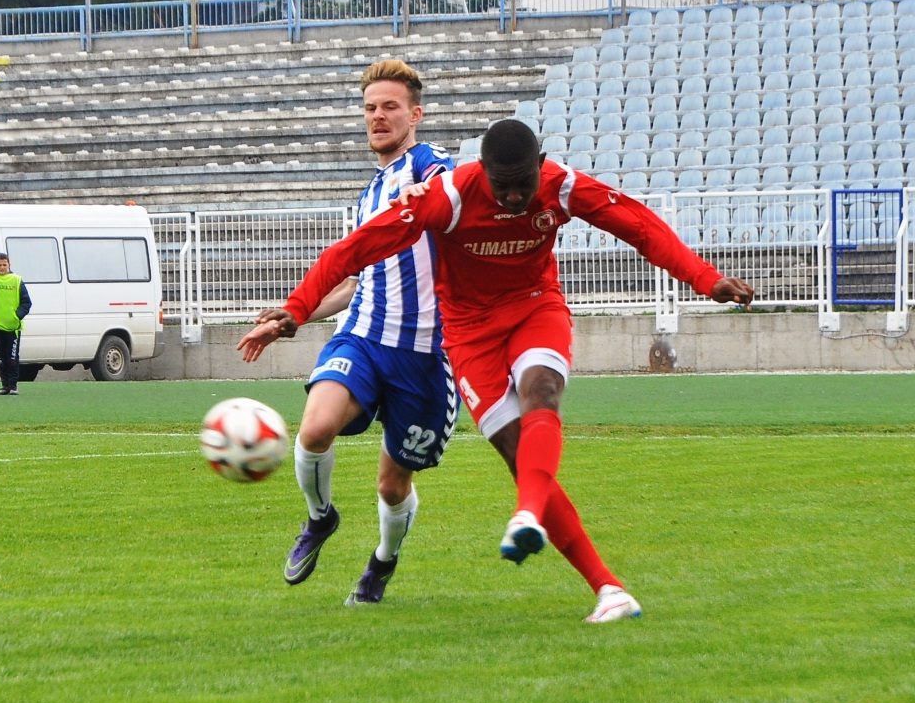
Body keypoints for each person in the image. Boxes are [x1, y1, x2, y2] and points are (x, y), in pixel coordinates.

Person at [241, 119, 755, 623]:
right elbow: (354, 249)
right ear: (482, 170)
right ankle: (608, 587)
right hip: (469, 336)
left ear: (540, 166)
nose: (513, 198)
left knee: (542, 391)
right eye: (502, 186)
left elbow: (639, 224)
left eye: (523, 185)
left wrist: (704, 278)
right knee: (517, 451)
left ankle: (540, 526)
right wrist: (297, 308)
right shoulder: (448, 197)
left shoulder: (560, 185)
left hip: (535, 308)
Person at [238, 59, 458, 607]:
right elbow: (355, 280)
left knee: (392, 485)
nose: (378, 117)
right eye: (370, 108)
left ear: (415, 115)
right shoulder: (368, 196)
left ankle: (382, 561)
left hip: (424, 356)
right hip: (362, 336)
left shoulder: (430, 167)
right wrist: (293, 317)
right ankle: (320, 518)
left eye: (390, 107)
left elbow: (452, 188)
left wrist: (431, 191)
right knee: (314, 430)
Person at [0, 253, 32, 395]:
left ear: (9, 265)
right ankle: (5, 386)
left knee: (12, 358)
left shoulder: (17, 280)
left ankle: (13, 386)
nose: (2, 267)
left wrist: (17, 316)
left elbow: (26, 303)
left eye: (4, 264)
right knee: (1, 358)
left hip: (12, 327)